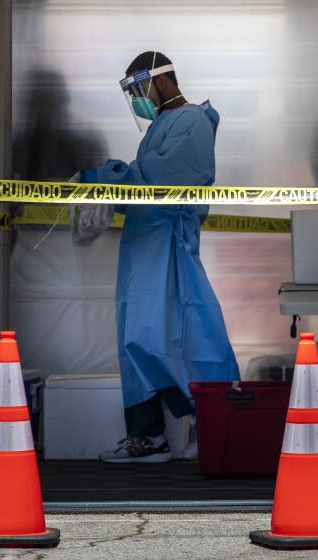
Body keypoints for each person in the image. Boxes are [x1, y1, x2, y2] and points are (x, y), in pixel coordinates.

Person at [75, 52, 239, 463]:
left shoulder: (192, 122)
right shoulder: (163, 126)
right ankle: (148, 436)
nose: (136, 99)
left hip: (169, 248)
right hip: (144, 249)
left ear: (161, 81)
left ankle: (215, 425)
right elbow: (145, 186)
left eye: (137, 89)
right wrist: (110, 196)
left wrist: (105, 177)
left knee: (187, 335)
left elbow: (164, 182)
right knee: (137, 339)